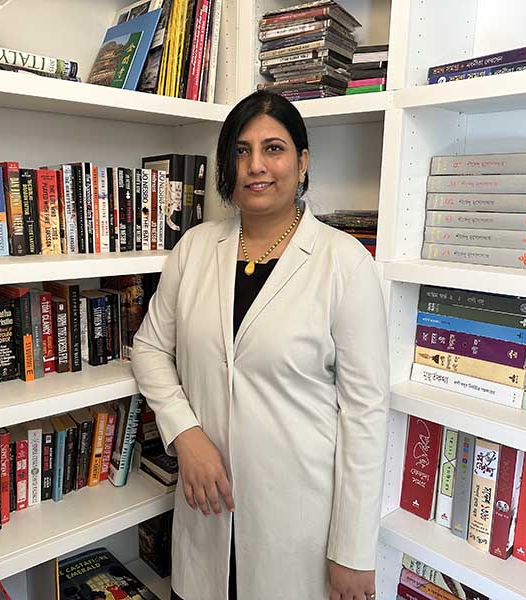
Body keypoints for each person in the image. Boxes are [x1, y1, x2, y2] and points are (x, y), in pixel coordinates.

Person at [131, 90, 389, 600]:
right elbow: (150, 348)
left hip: (299, 523)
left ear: (302, 161)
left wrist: (353, 550)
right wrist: (186, 434)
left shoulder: (344, 263)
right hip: (206, 510)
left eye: (274, 148)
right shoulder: (195, 248)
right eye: (241, 150)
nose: (256, 166)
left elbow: (366, 414)